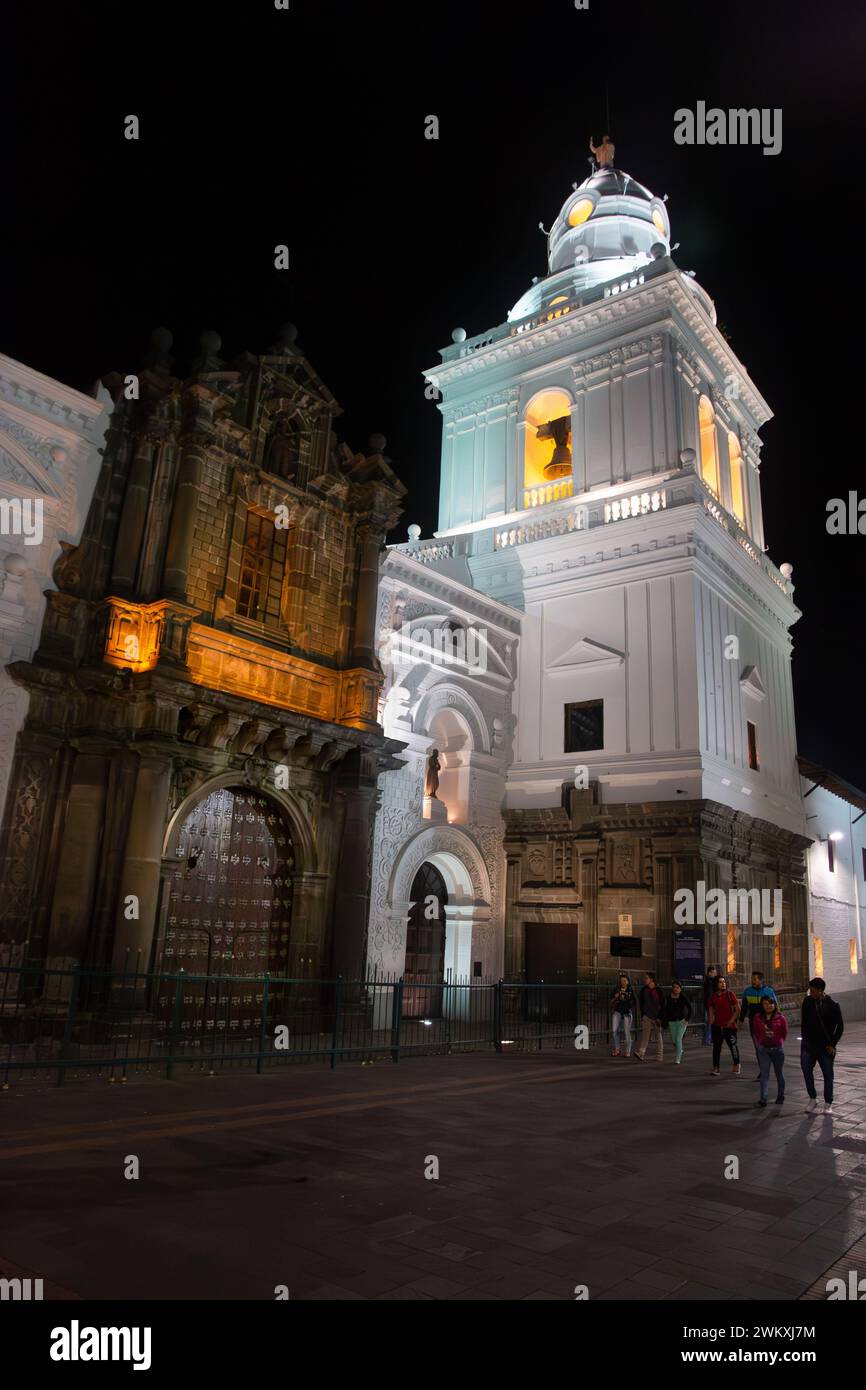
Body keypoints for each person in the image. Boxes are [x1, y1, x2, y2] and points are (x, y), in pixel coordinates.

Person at [801, 977, 844, 1114]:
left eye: (813, 991)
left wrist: (832, 1044)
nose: (810, 993)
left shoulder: (832, 1005)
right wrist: (804, 1040)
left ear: (820, 991)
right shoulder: (807, 1001)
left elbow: (840, 1026)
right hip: (808, 1045)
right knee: (806, 1070)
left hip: (825, 1047)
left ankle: (828, 1102)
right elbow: (804, 1021)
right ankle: (812, 1098)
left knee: (827, 1074)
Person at [740, 971, 779, 1079]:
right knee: (758, 1048)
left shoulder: (768, 991)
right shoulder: (747, 992)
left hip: (767, 1024)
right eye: (752, 979)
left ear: (761, 980)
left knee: (767, 1047)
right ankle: (763, 1070)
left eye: (755, 979)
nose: (752, 981)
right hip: (754, 1024)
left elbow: (776, 1006)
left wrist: (776, 1021)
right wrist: (741, 1020)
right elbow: (744, 1007)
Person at [753, 995, 787, 1107]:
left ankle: (781, 1095)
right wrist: (759, 1043)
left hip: (777, 1050)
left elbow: (784, 1032)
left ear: (774, 1004)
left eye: (770, 1003)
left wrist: (779, 1042)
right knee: (764, 1074)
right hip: (764, 1050)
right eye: (765, 1004)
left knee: (779, 1074)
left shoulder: (780, 1018)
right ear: (762, 1006)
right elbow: (756, 1032)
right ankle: (763, 1098)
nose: (768, 1006)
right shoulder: (758, 1018)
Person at [708, 974, 741, 1076]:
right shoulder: (712, 997)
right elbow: (711, 1010)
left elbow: (738, 1009)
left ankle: (736, 1064)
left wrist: (731, 1021)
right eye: (720, 982)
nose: (723, 984)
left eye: (724, 982)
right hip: (717, 1026)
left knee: (733, 1046)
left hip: (730, 1027)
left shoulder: (730, 994)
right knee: (716, 1048)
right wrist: (711, 1020)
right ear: (716, 984)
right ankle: (716, 1068)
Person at [634, 972, 665, 1062]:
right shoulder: (644, 990)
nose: (645, 979)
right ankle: (641, 1053)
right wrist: (643, 1015)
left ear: (651, 979)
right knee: (645, 1036)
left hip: (657, 1017)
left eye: (646, 978)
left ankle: (659, 1055)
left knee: (658, 1036)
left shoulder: (658, 990)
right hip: (647, 1016)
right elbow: (641, 1003)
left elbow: (663, 1005)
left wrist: (660, 1017)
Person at [664, 981, 692, 1065]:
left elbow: (690, 1009)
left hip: (681, 1021)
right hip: (671, 1021)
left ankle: (678, 1058)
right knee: (674, 1040)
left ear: (680, 988)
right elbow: (666, 1010)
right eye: (674, 987)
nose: (675, 989)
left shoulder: (683, 997)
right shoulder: (668, 997)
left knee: (678, 1039)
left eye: (677, 987)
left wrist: (687, 1019)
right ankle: (680, 1050)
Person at [609, 974, 637, 1057]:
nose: (623, 982)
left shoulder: (631, 990)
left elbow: (634, 1002)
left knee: (627, 1032)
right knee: (614, 1031)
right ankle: (617, 1049)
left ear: (628, 981)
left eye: (625, 981)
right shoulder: (616, 989)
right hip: (617, 1011)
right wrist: (616, 997)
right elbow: (611, 1000)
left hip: (626, 1013)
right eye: (621, 981)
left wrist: (628, 1003)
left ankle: (627, 1051)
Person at [703, 966, 719, 1045]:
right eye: (714, 973)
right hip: (710, 1005)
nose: (715, 974)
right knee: (710, 1022)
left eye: (715, 973)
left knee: (711, 1022)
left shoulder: (711, 981)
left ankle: (711, 1039)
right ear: (709, 973)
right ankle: (707, 1040)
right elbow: (709, 995)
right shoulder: (709, 982)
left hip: (710, 1005)